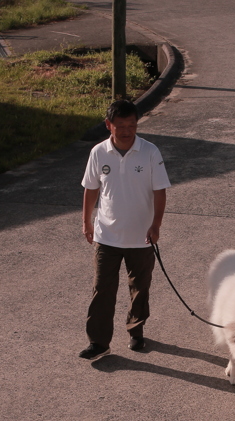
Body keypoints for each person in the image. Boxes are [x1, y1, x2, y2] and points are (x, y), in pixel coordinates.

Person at [79, 99, 170, 360]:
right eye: (121, 126)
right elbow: (91, 188)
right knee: (102, 289)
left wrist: (156, 225)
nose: (128, 130)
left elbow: (159, 191)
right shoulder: (98, 152)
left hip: (141, 237)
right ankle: (98, 342)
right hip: (106, 235)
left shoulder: (150, 151)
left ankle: (136, 329)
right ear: (109, 125)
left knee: (140, 287)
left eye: (132, 125)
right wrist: (86, 221)